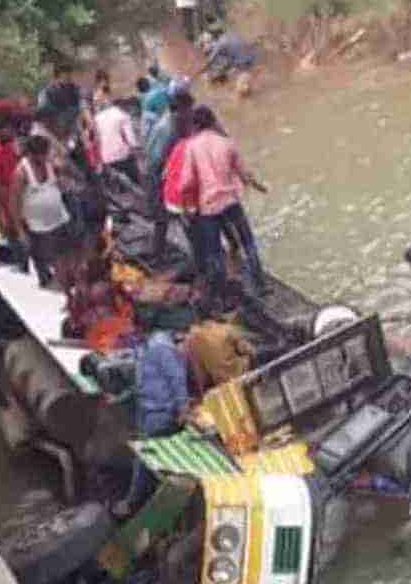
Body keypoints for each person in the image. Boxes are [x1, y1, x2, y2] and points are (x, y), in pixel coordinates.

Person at [178, 107, 269, 297]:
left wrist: (187, 207)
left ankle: (223, 292)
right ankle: (259, 286)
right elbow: (243, 174)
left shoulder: (192, 147)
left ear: (195, 125)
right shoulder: (226, 143)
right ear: (213, 120)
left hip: (208, 206)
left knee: (215, 251)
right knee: (248, 243)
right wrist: (258, 186)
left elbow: (186, 182)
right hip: (230, 201)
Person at [112, 330, 190, 520]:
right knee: (147, 457)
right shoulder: (155, 350)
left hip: (159, 413)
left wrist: (182, 408)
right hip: (150, 411)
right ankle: (137, 500)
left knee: (147, 458)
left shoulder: (157, 348)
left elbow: (176, 380)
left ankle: (134, 502)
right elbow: (168, 381)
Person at [8, 136, 76, 289]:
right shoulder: (21, 172)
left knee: (65, 252)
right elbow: (13, 203)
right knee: (44, 258)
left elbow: (60, 182)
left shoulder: (49, 164)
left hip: (59, 217)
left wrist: (63, 181)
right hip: (38, 225)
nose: (45, 157)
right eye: (41, 154)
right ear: (31, 154)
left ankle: (65, 280)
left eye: (46, 153)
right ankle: (46, 282)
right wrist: (19, 231)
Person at [143, 93, 195, 260]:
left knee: (163, 219)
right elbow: (161, 162)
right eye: (188, 110)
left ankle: (157, 253)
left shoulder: (169, 121)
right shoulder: (170, 129)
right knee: (175, 216)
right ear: (180, 110)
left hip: (154, 173)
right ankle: (195, 255)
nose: (191, 113)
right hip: (156, 177)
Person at [95, 92, 140, 184]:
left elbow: (97, 139)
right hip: (121, 154)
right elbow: (131, 139)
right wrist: (135, 148)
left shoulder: (97, 118)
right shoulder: (122, 116)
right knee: (135, 176)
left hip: (106, 157)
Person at [36, 63, 83, 136]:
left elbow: (81, 105)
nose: (68, 80)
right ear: (56, 78)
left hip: (73, 127)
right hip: (54, 128)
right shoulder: (46, 92)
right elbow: (42, 109)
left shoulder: (74, 89)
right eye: (65, 78)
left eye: (69, 77)